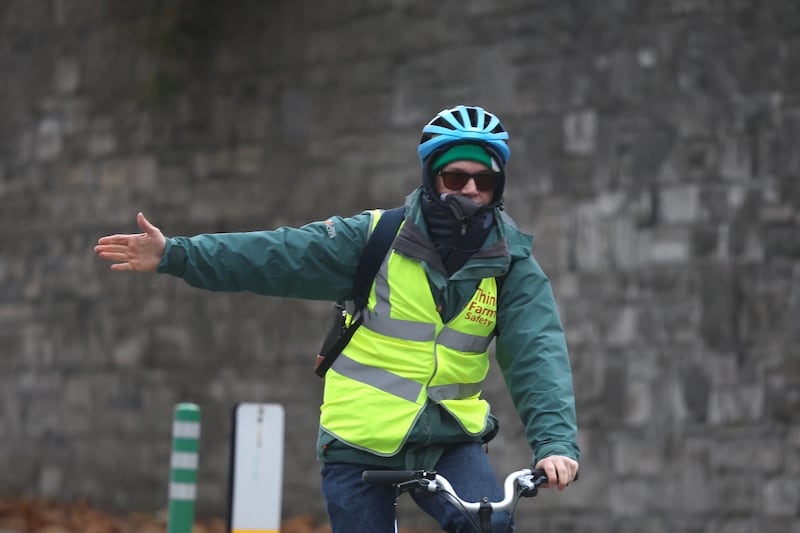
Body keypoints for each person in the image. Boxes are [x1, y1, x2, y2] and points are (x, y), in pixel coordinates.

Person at [95, 105, 580, 532]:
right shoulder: (374, 238)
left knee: (490, 525)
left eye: (485, 181)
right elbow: (272, 256)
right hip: (357, 441)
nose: (470, 190)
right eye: (456, 178)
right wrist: (175, 254)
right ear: (432, 179)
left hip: (450, 437)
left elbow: (538, 351)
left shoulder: (511, 263)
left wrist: (555, 444)